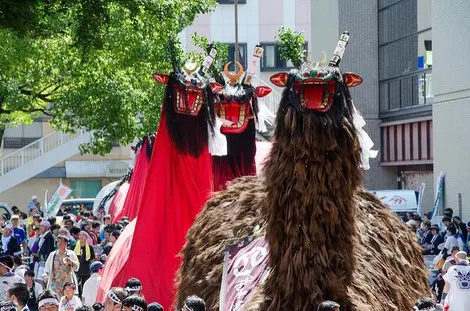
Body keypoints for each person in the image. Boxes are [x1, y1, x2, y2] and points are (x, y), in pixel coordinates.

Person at [75, 231, 95, 297]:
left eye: (84, 235)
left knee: (85, 286)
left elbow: (92, 260)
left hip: (86, 270)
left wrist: (92, 271)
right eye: (80, 235)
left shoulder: (90, 248)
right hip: (77, 270)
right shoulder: (74, 246)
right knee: (76, 286)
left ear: (87, 237)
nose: (82, 237)